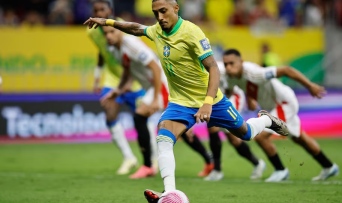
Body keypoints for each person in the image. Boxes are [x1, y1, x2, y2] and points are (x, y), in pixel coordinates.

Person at [84, 0, 289, 202]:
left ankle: (267, 120)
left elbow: (214, 68)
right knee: (164, 138)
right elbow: (136, 28)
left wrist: (208, 102)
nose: (160, 17)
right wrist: (108, 22)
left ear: (176, 8)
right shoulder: (157, 31)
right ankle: (169, 194)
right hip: (180, 102)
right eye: (156, 13)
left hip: (212, 101)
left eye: (163, 11)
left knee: (246, 133)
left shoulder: (192, 32)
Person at [223, 48, 339, 182]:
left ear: (241, 62)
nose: (228, 67)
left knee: (260, 136)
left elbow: (286, 70)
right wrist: (250, 100)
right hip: (274, 107)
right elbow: (239, 88)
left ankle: (280, 170)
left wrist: (310, 86)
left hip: (283, 103)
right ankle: (329, 166)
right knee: (299, 138)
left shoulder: (254, 73)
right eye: (226, 64)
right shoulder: (231, 77)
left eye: (232, 63)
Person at [87, 0, 147, 175]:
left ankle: (152, 159)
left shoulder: (122, 25)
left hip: (133, 77)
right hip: (113, 78)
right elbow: (102, 52)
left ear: (110, 10)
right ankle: (129, 157)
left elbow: (135, 51)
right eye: (95, 10)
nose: (99, 12)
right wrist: (97, 78)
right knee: (109, 110)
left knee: (143, 118)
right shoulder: (91, 31)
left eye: (102, 9)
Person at [100, 25, 168, 179]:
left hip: (162, 84)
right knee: (141, 118)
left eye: (112, 32)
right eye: (106, 33)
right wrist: (118, 90)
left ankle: (148, 165)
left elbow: (156, 69)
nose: (109, 36)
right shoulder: (113, 49)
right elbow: (127, 70)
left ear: (120, 32)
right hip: (151, 87)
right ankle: (209, 161)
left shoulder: (131, 44)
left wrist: (156, 98)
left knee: (139, 116)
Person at [182, 61, 266, 181]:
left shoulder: (217, 68)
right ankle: (255, 163)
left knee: (225, 133)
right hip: (214, 101)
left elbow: (238, 81)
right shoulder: (189, 75)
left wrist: (250, 97)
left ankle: (217, 169)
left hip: (230, 98)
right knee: (231, 138)